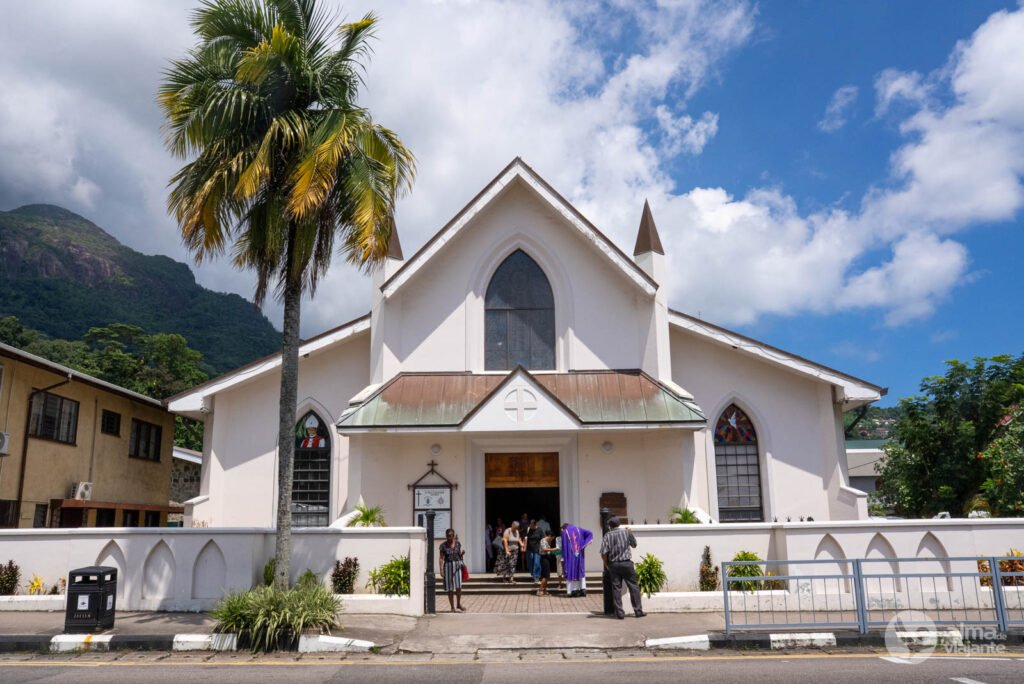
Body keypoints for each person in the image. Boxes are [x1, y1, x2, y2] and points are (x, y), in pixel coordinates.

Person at [599, 517, 645, 619]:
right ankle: (638, 611)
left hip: (614, 564)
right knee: (634, 587)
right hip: (627, 563)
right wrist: (630, 533)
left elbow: (603, 552)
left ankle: (619, 613)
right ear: (619, 524)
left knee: (616, 589)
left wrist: (606, 564)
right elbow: (634, 545)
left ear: (610, 526)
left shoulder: (607, 535)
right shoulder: (626, 532)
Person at [560, 522, 593, 597]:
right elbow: (590, 533)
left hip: (570, 555)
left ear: (563, 528)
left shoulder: (565, 533)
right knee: (580, 570)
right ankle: (583, 589)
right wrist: (583, 545)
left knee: (570, 570)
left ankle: (571, 591)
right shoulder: (579, 529)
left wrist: (564, 557)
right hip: (579, 554)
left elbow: (564, 547)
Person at [439, 528, 466, 613]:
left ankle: (458, 604)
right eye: (447, 536)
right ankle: (452, 607)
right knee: (450, 588)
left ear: (453, 535)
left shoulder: (458, 544)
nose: (449, 537)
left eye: (451, 536)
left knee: (458, 586)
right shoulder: (443, 546)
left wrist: (462, 554)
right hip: (448, 565)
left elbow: (459, 555)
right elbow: (441, 558)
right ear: (446, 536)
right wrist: (441, 569)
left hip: (457, 565)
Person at [537, 529, 560, 596]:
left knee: (547, 576)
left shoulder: (547, 542)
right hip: (544, 559)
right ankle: (540, 590)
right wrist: (554, 549)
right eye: (552, 538)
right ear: (549, 536)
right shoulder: (543, 540)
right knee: (545, 575)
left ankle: (545, 590)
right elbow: (544, 549)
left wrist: (556, 552)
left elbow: (549, 551)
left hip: (547, 558)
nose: (551, 540)